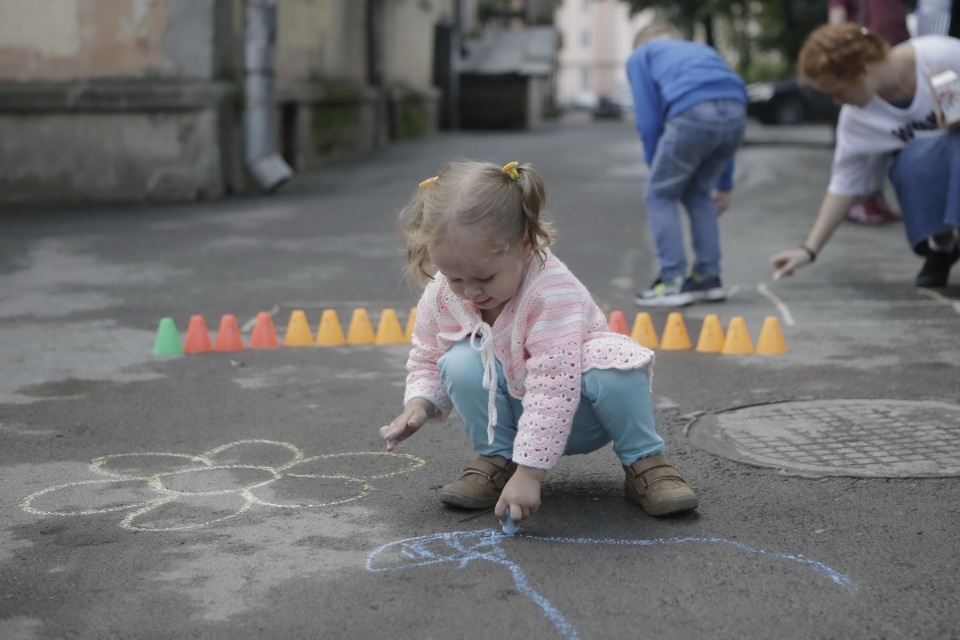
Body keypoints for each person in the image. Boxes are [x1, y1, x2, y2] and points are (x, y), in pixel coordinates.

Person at [379, 160, 698, 526]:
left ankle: (645, 462)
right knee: (458, 359)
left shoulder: (550, 291)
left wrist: (531, 475)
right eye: (455, 278)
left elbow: (554, 385)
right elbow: (427, 356)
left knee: (614, 361)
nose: (470, 291)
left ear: (525, 244)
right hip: (516, 415)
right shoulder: (444, 293)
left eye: (485, 277)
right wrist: (419, 403)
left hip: (581, 411)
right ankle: (497, 459)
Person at [769, 23, 960, 287]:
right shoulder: (856, 119)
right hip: (930, 166)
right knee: (910, 162)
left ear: (861, 69)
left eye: (838, 91)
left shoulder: (942, 55)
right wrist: (809, 250)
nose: (837, 101)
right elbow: (844, 182)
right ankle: (942, 247)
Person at [626, 23, 747, 308]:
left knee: (659, 194)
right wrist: (725, 184)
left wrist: (656, 167)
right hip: (737, 110)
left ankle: (672, 281)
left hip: (692, 111)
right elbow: (722, 104)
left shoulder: (641, 55)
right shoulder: (702, 50)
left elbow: (649, 120)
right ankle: (708, 278)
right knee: (698, 193)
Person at [828, 0, 911, 224]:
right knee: (872, 135)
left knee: (889, 137)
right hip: (870, 62)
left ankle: (873, 197)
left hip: (897, 57)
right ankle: (864, 199)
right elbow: (837, 22)